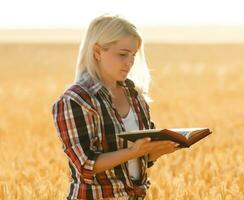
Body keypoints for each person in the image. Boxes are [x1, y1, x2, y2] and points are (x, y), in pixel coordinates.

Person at [52, 14, 180, 200]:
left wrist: (156, 151)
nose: (129, 62)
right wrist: (133, 152)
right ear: (97, 51)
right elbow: (85, 164)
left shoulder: (134, 95)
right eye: (122, 54)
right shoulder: (75, 100)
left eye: (133, 55)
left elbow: (137, 161)